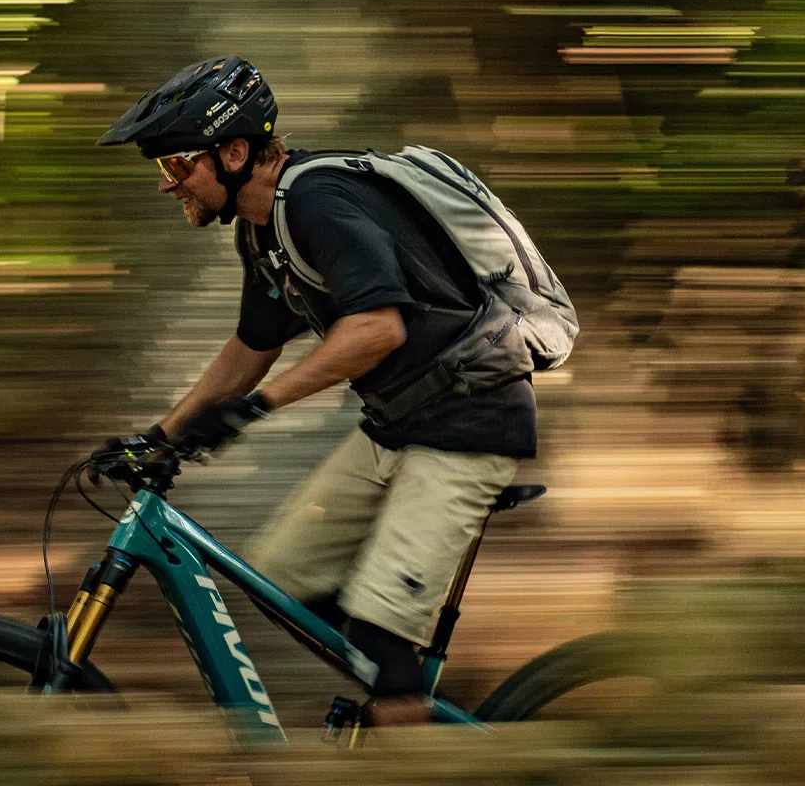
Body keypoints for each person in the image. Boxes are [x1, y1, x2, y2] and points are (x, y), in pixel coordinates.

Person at [93, 56, 537, 727]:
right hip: (399, 425)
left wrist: (255, 409)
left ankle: (405, 708)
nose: (166, 186)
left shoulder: (316, 202)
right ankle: (399, 691)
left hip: (469, 424)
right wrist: (162, 437)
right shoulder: (263, 230)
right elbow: (252, 348)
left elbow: (376, 329)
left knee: (381, 629)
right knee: (286, 575)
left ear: (235, 151)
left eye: (176, 166)